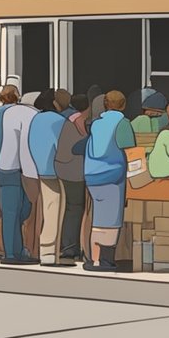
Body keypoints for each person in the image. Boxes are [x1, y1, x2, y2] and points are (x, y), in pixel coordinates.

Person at [83, 90, 135, 272]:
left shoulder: (96, 124)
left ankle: (94, 258)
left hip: (92, 174)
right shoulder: (122, 123)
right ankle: (103, 260)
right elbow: (130, 151)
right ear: (123, 105)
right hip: (112, 175)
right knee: (110, 219)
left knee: (98, 217)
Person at [0, 85, 38, 265]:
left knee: (10, 211)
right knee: (21, 209)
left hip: (4, 167)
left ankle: (14, 250)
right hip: (22, 168)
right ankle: (13, 253)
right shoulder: (27, 112)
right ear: (18, 96)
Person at [28, 90, 70, 266]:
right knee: (55, 211)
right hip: (55, 169)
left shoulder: (36, 119)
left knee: (46, 209)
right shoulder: (59, 121)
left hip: (38, 168)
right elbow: (64, 147)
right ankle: (50, 254)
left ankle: (46, 252)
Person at [54, 93, 91, 262]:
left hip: (63, 167)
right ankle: (70, 247)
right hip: (73, 170)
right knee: (75, 208)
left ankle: (69, 245)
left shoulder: (68, 119)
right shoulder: (79, 121)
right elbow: (79, 147)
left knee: (70, 208)